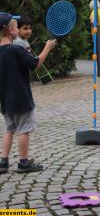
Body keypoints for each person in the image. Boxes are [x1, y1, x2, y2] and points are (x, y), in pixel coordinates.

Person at [0, 12, 56, 174]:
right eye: (17, 27)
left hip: (5, 99)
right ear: (11, 31)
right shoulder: (16, 49)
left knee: (9, 128)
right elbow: (35, 64)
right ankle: (24, 162)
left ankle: (3, 161)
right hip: (21, 97)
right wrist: (47, 48)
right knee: (23, 129)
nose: (18, 29)